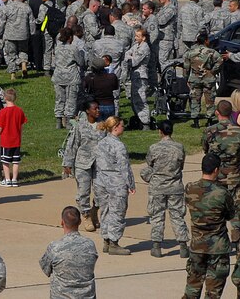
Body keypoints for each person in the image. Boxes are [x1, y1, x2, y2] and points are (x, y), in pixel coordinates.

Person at [184, 153, 234, 299]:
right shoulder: (222, 193)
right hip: (217, 248)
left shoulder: (190, 188)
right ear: (216, 170)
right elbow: (230, 215)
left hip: (197, 246)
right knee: (213, 293)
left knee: (192, 288)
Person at [142, 120, 189, 258]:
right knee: (177, 216)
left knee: (157, 216)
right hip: (175, 187)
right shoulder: (179, 147)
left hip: (158, 187)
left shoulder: (154, 148)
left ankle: (156, 246)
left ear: (160, 132)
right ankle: (183, 246)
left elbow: (149, 163)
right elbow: (181, 166)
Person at [94, 116, 135, 255]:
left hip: (101, 181)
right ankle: (114, 242)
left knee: (105, 211)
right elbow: (124, 167)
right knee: (117, 212)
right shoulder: (119, 145)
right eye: (122, 126)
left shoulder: (101, 143)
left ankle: (106, 240)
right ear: (116, 127)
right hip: (116, 182)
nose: (123, 128)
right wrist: (130, 184)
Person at [201, 100, 240, 243]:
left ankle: (218, 241)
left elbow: (206, 152)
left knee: (216, 211)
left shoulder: (210, 131)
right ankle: (237, 242)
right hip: (235, 178)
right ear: (231, 113)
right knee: (236, 213)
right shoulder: (238, 132)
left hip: (216, 178)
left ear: (217, 112)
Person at [39, 206, 98, 298]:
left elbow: (46, 270)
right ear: (80, 222)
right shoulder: (90, 245)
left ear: (62, 222)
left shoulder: (54, 247)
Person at [62, 102, 103, 232]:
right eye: (94, 108)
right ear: (87, 111)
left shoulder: (103, 126)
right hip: (82, 164)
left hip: (99, 165)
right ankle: (86, 216)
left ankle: (94, 211)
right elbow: (72, 145)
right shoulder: (80, 126)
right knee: (84, 191)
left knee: (100, 192)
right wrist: (67, 163)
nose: (98, 110)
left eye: (98, 108)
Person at [0, 88, 27, 187]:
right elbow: (22, 125)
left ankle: (7, 179)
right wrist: (20, 134)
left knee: (5, 161)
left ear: (5, 98)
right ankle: (14, 179)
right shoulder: (19, 111)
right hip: (16, 139)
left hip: (6, 140)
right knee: (16, 161)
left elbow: (0, 126)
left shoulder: (3, 112)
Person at [52, 27, 83, 129]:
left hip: (58, 76)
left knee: (59, 99)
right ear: (70, 37)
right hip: (71, 77)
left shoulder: (57, 48)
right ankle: (69, 121)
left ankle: (58, 121)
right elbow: (80, 62)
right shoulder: (73, 48)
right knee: (71, 99)